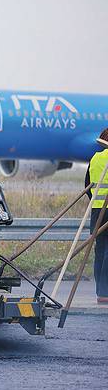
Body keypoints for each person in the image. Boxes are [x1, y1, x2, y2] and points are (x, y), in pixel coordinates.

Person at [86, 129, 108, 303]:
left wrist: (96, 201)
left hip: (96, 210)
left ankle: (101, 293)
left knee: (100, 249)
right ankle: (106, 291)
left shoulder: (96, 158)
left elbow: (87, 185)